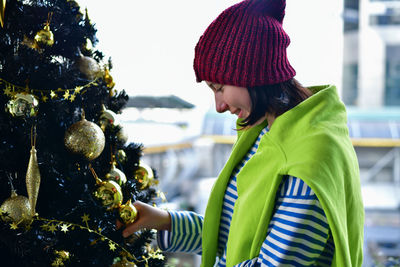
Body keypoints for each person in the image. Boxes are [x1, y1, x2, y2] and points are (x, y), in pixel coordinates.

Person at [117, 0, 365, 266]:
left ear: (252, 73)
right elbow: (234, 234)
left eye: (219, 87)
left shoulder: (310, 155)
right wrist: (162, 220)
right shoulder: (264, 136)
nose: (219, 106)